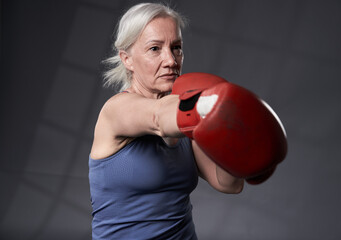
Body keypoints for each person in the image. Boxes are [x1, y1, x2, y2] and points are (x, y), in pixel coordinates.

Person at [89, 2, 287, 240]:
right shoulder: (116, 110)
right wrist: (214, 103)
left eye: (176, 47)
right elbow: (158, 117)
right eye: (154, 49)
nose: (171, 60)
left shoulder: (189, 119)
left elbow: (228, 184)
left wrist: (238, 139)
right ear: (127, 59)